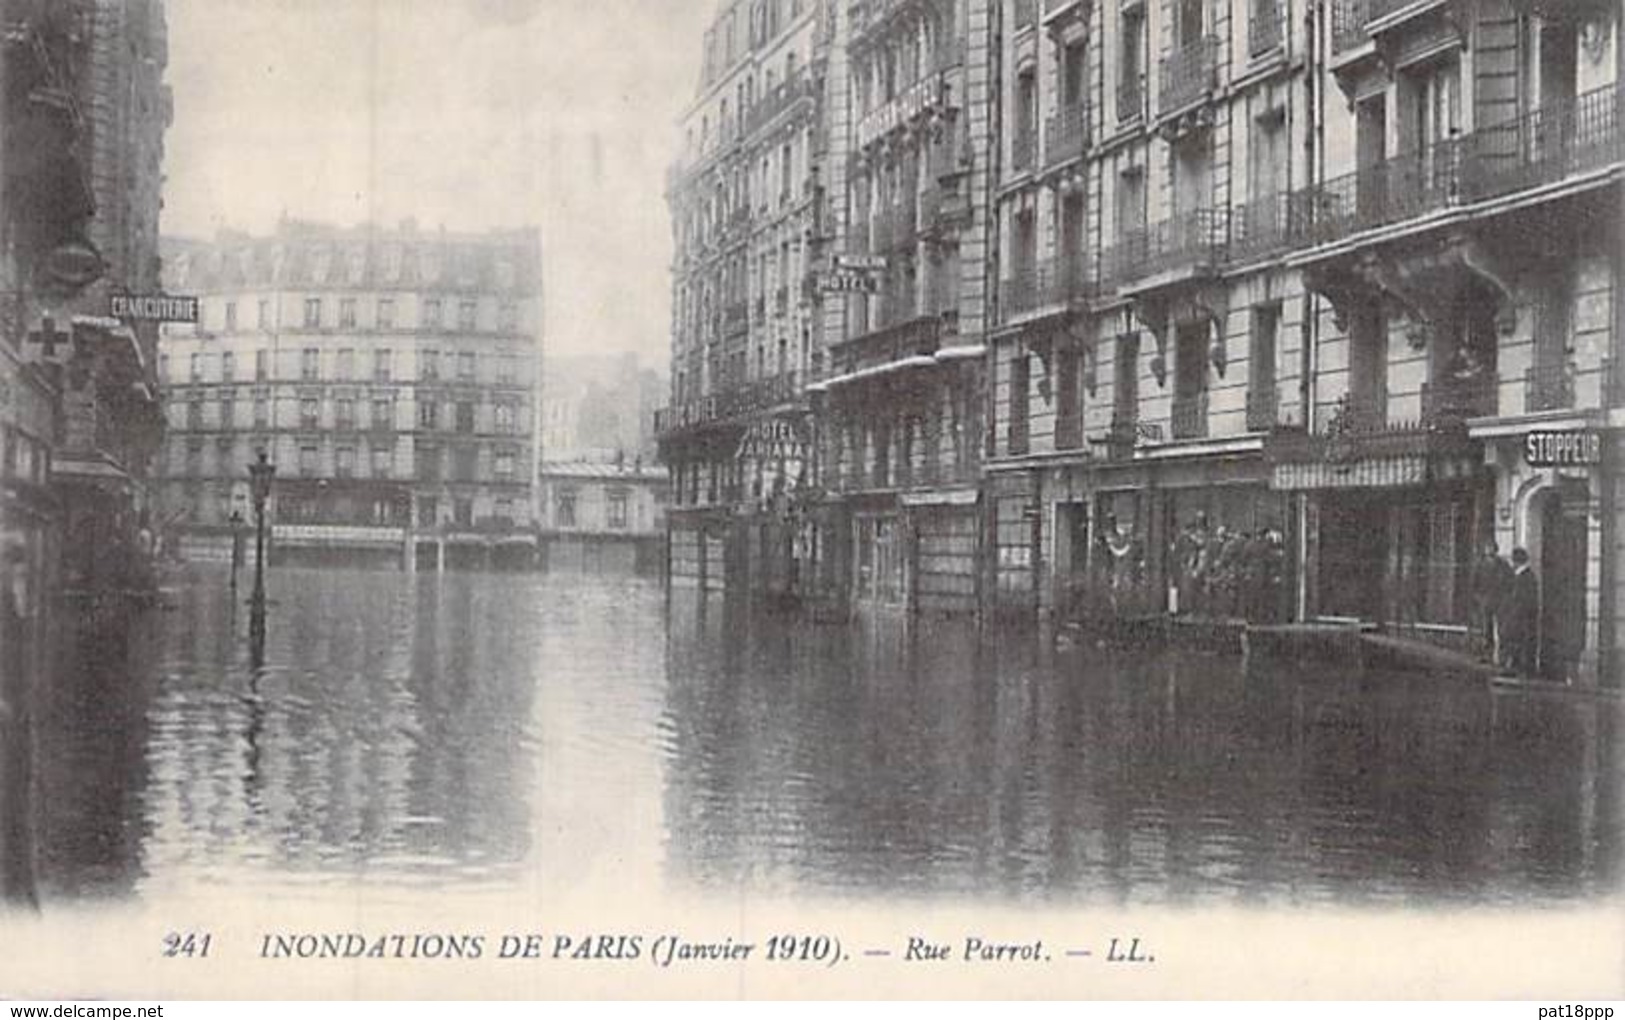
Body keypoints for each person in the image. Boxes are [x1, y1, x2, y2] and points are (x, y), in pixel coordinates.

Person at [1471, 540, 1512, 664]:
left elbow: (1510, 582)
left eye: (1492, 548)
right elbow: (1474, 584)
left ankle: (1500, 657)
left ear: (1496, 549)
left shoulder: (1503, 565)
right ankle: (1486, 655)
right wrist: (1479, 598)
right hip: (1485, 602)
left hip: (1500, 602)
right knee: (1485, 630)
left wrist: (1505, 598)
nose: (1489, 550)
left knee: (1501, 630)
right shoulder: (1480, 565)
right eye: (1487, 548)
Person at [1502, 547, 1540, 677]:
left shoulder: (1525, 577)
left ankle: (1520, 669)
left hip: (1521, 619)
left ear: (1516, 561)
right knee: (1517, 643)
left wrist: (1513, 614)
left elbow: (1522, 600)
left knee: (1520, 644)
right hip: (1519, 618)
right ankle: (1517, 667)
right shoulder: (1525, 576)